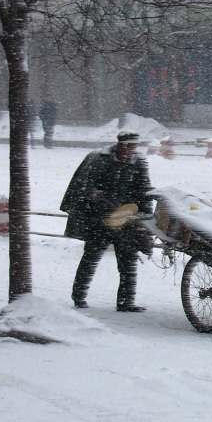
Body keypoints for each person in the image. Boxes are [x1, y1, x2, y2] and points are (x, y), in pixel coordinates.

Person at [60, 131, 155, 312]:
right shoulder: (98, 158)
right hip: (99, 219)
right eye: (128, 146)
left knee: (128, 259)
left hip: (126, 217)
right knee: (91, 258)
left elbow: (142, 190)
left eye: (134, 147)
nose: (131, 150)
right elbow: (82, 186)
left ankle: (126, 301)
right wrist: (95, 195)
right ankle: (79, 296)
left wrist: (146, 219)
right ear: (120, 145)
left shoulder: (138, 161)